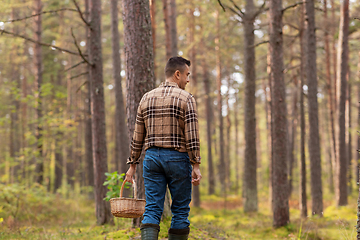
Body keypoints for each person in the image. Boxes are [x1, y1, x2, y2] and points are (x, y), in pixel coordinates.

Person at [125, 56, 202, 240]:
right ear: (177, 74)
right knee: (181, 211)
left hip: (151, 158)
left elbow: (138, 136)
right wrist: (196, 164)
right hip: (177, 157)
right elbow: (192, 136)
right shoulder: (186, 98)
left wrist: (132, 164)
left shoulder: (146, 98)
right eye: (186, 75)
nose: (188, 79)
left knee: (151, 209)